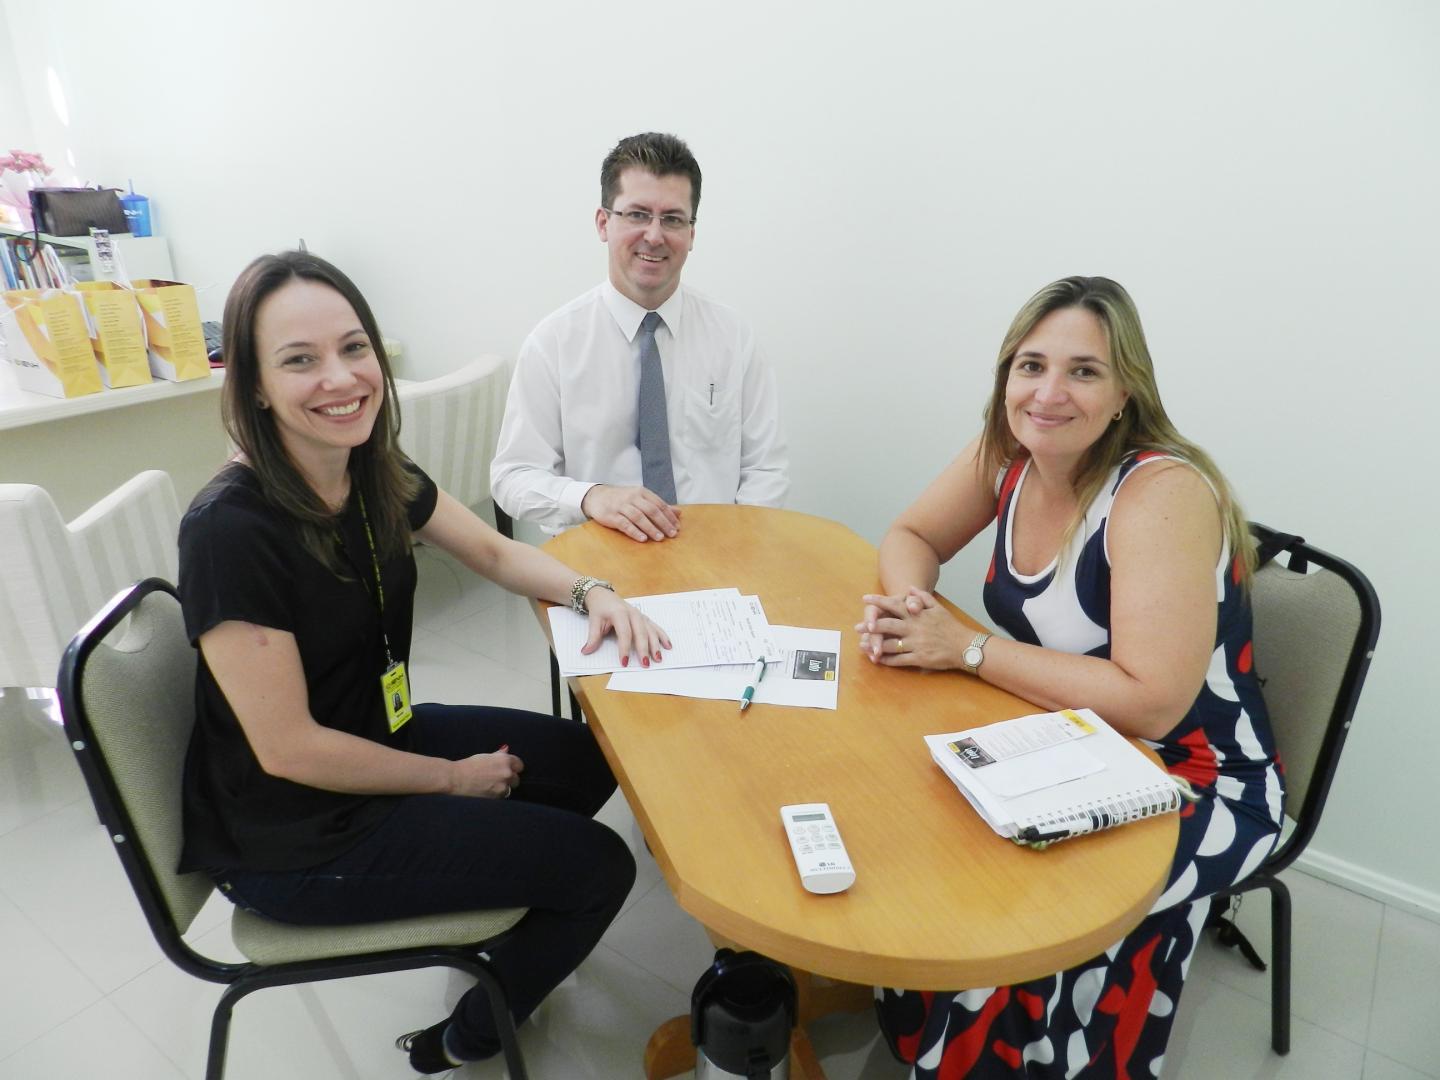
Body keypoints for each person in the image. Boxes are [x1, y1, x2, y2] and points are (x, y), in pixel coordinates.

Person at [176, 251, 670, 1074]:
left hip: (377, 731)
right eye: (300, 360)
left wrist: (593, 591)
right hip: (294, 833)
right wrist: (452, 782)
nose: (340, 378)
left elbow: (494, 551)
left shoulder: (371, 469)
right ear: (256, 386)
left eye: (354, 347)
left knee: (588, 761)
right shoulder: (230, 530)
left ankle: (492, 900)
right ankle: (467, 1038)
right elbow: (290, 749)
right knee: (599, 868)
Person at [857, 276, 1284, 1078]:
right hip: (1057, 730)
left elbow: (1154, 705)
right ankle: (930, 1014)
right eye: (1031, 366)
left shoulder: (1161, 492)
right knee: (914, 823)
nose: (1049, 392)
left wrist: (968, 650)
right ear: (1006, 377)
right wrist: (916, 608)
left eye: (1083, 371)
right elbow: (911, 530)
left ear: (1126, 390)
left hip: (1190, 771)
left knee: (1009, 905)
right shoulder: (1010, 449)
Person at [490, 131, 788, 542]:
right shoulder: (554, 342)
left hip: (716, 557)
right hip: (594, 567)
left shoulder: (733, 338)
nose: (654, 235)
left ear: (692, 233)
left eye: (672, 219)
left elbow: (765, 470)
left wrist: (736, 549)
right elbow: (512, 477)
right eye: (636, 214)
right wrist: (590, 496)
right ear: (603, 223)